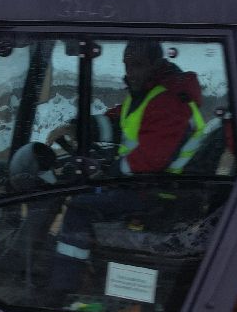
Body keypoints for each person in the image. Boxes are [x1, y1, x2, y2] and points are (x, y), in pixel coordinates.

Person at [49, 40, 203, 296]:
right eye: (127, 64)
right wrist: (78, 127)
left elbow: (149, 160)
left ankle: (63, 289)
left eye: (137, 65)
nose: (130, 72)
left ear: (155, 64)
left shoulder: (168, 101)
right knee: (89, 191)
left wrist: (110, 173)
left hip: (160, 195)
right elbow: (122, 120)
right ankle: (83, 268)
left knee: (80, 207)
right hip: (149, 185)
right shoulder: (153, 91)